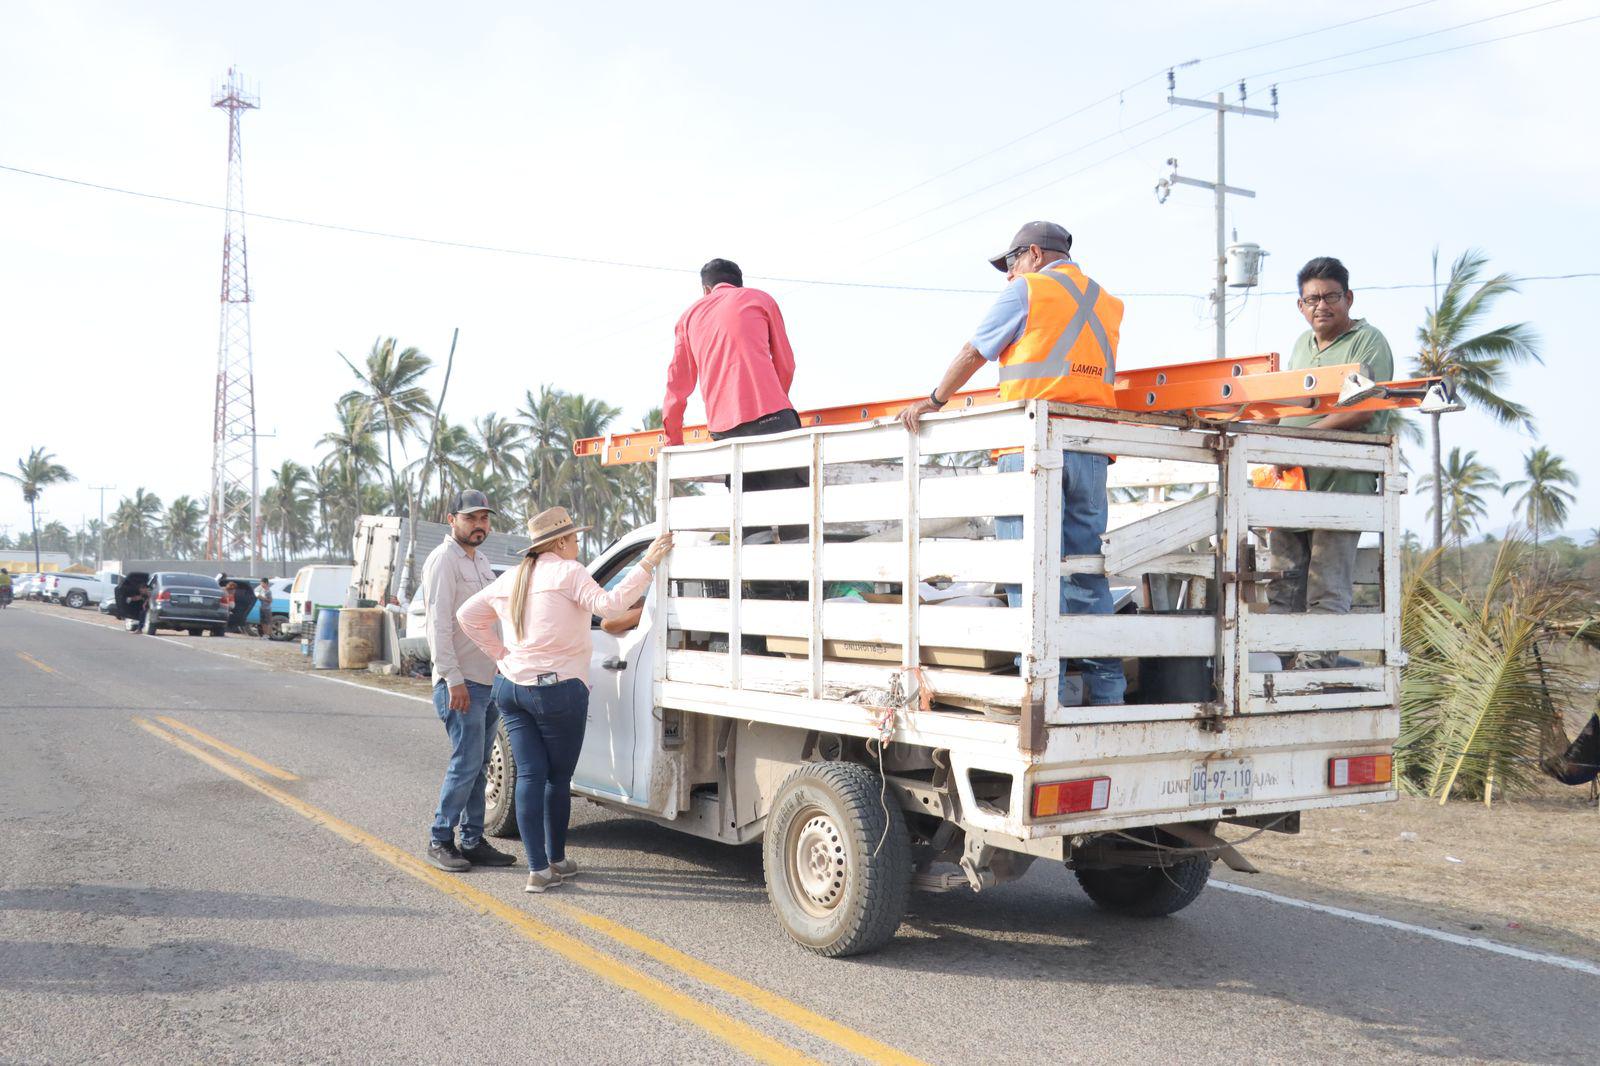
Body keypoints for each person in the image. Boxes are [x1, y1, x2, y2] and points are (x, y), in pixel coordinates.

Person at [898, 220, 1125, 705]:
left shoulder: (1028, 290)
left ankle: (1042, 696)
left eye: (1012, 261)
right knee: (1086, 574)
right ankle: (1108, 695)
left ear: (1035, 255)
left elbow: (974, 352)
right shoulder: (1107, 300)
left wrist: (934, 401)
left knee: (1029, 574)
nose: (1008, 273)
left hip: (1032, 447)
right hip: (1091, 449)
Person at [458, 507, 673, 894]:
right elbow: (611, 606)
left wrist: (500, 655)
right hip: (556, 691)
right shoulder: (569, 573)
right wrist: (648, 563)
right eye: (574, 538)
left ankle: (538, 869)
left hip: (511, 687)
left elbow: (466, 615)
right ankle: (556, 859)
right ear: (559, 543)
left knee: (529, 775)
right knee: (557, 779)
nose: (577, 544)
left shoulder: (513, 577)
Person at [1268, 257, 1395, 667]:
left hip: (1341, 483)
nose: (1321, 306)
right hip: (1293, 481)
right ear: (1300, 305)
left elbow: (1362, 410)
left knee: (1326, 586)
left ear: (1348, 298)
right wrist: (1271, 444)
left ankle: (1312, 676)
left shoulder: (1367, 341)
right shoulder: (1301, 346)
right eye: (1312, 299)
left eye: (1330, 297)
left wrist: (1297, 440)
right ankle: (1276, 670)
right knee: (1283, 583)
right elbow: (1287, 407)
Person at [661, 259, 807, 526]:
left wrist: (674, 443)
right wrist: (773, 402)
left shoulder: (688, 318)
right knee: (794, 517)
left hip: (726, 431)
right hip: (773, 417)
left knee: (750, 522)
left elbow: (677, 388)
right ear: (739, 284)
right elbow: (786, 364)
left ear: (705, 289)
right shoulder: (760, 299)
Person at [419, 489, 517, 873]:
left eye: (484, 519)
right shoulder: (444, 560)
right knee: (466, 763)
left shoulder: (482, 562)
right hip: (461, 684)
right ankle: (440, 838)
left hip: (487, 680)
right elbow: (438, 625)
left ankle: (473, 840)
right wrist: (452, 678)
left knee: (479, 765)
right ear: (452, 520)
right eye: (471, 518)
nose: (479, 525)